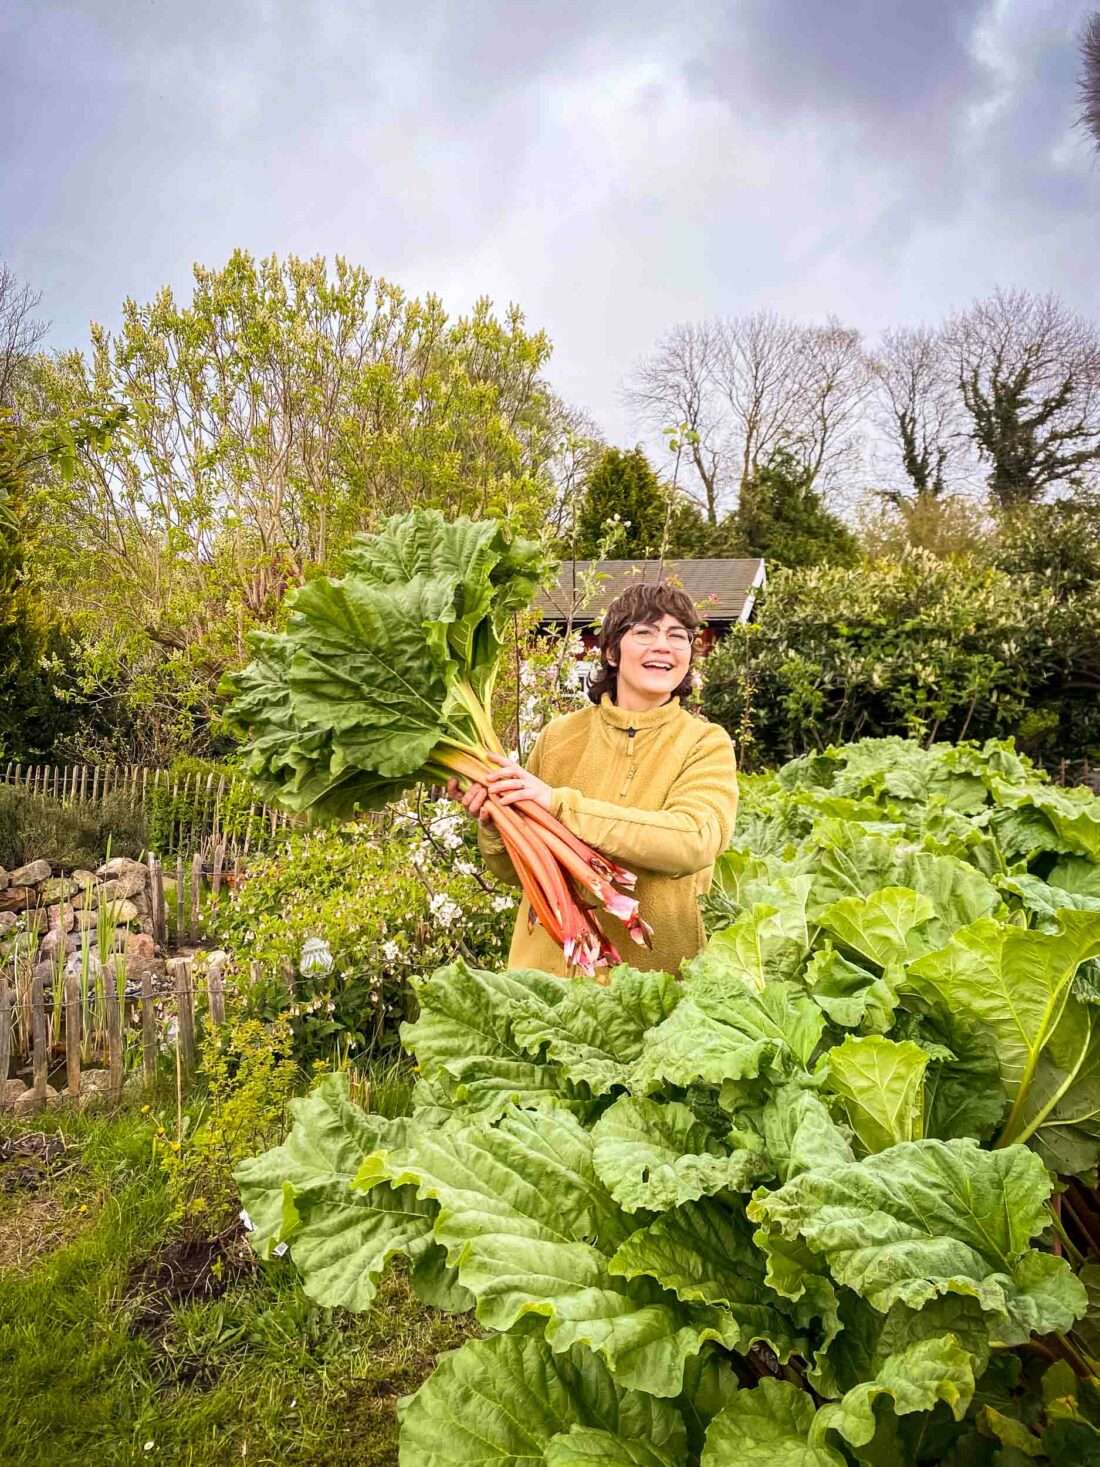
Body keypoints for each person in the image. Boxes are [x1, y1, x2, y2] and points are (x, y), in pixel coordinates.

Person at [448, 581, 739, 976]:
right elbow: (517, 873)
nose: (663, 646)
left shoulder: (705, 743)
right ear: (611, 652)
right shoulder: (559, 737)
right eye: (644, 632)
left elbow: (692, 842)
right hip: (545, 981)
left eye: (678, 636)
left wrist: (558, 805)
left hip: (655, 985)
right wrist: (496, 825)